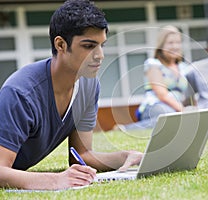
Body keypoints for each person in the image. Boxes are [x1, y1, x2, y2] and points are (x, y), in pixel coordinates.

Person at [0, 0, 142, 190]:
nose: (100, 55)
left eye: (102, 45)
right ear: (60, 44)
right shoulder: (20, 93)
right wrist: (55, 180)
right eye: (89, 46)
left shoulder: (89, 85)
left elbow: (81, 155)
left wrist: (124, 157)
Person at [114, 25, 190, 131]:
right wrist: (181, 109)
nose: (175, 46)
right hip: (155, 105)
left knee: (176, 120)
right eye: (170, 43)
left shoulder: (184, 67)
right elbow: (162, 94)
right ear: (161, 45)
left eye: (178, 42)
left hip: (177, 108)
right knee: (169, 117)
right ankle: (126, 129)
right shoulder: (153, 64)